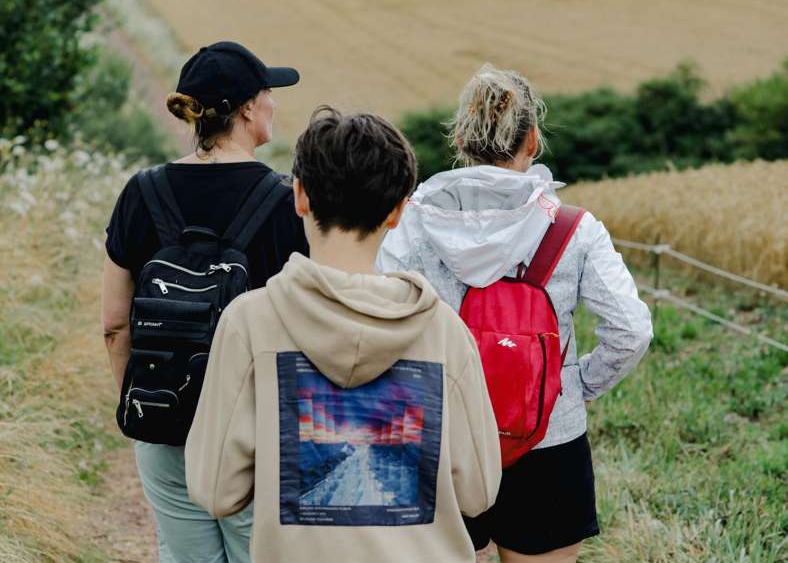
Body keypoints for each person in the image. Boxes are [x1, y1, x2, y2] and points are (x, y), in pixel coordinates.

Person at [185, 106, 502, 562]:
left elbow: (215, 489)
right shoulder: (446, 332)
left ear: (299, 196)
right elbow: (479, 491)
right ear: (398, 211)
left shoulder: (249, 324)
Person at [376, 63, 653, 563]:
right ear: (532, 140)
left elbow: (382, 324)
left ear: (460, 136)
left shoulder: (411, 223)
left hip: (446, 444)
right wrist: (574, 386)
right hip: (550, 441)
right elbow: (631, 331)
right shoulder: (575, 229)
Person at [102, 41, 308, 563]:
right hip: (256, 427)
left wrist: (148, 403)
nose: (273, 105)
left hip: (164, 417)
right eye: (268, 95)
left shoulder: (140, 192)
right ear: (245, 109)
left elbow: (113, 325)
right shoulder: (287, 202)